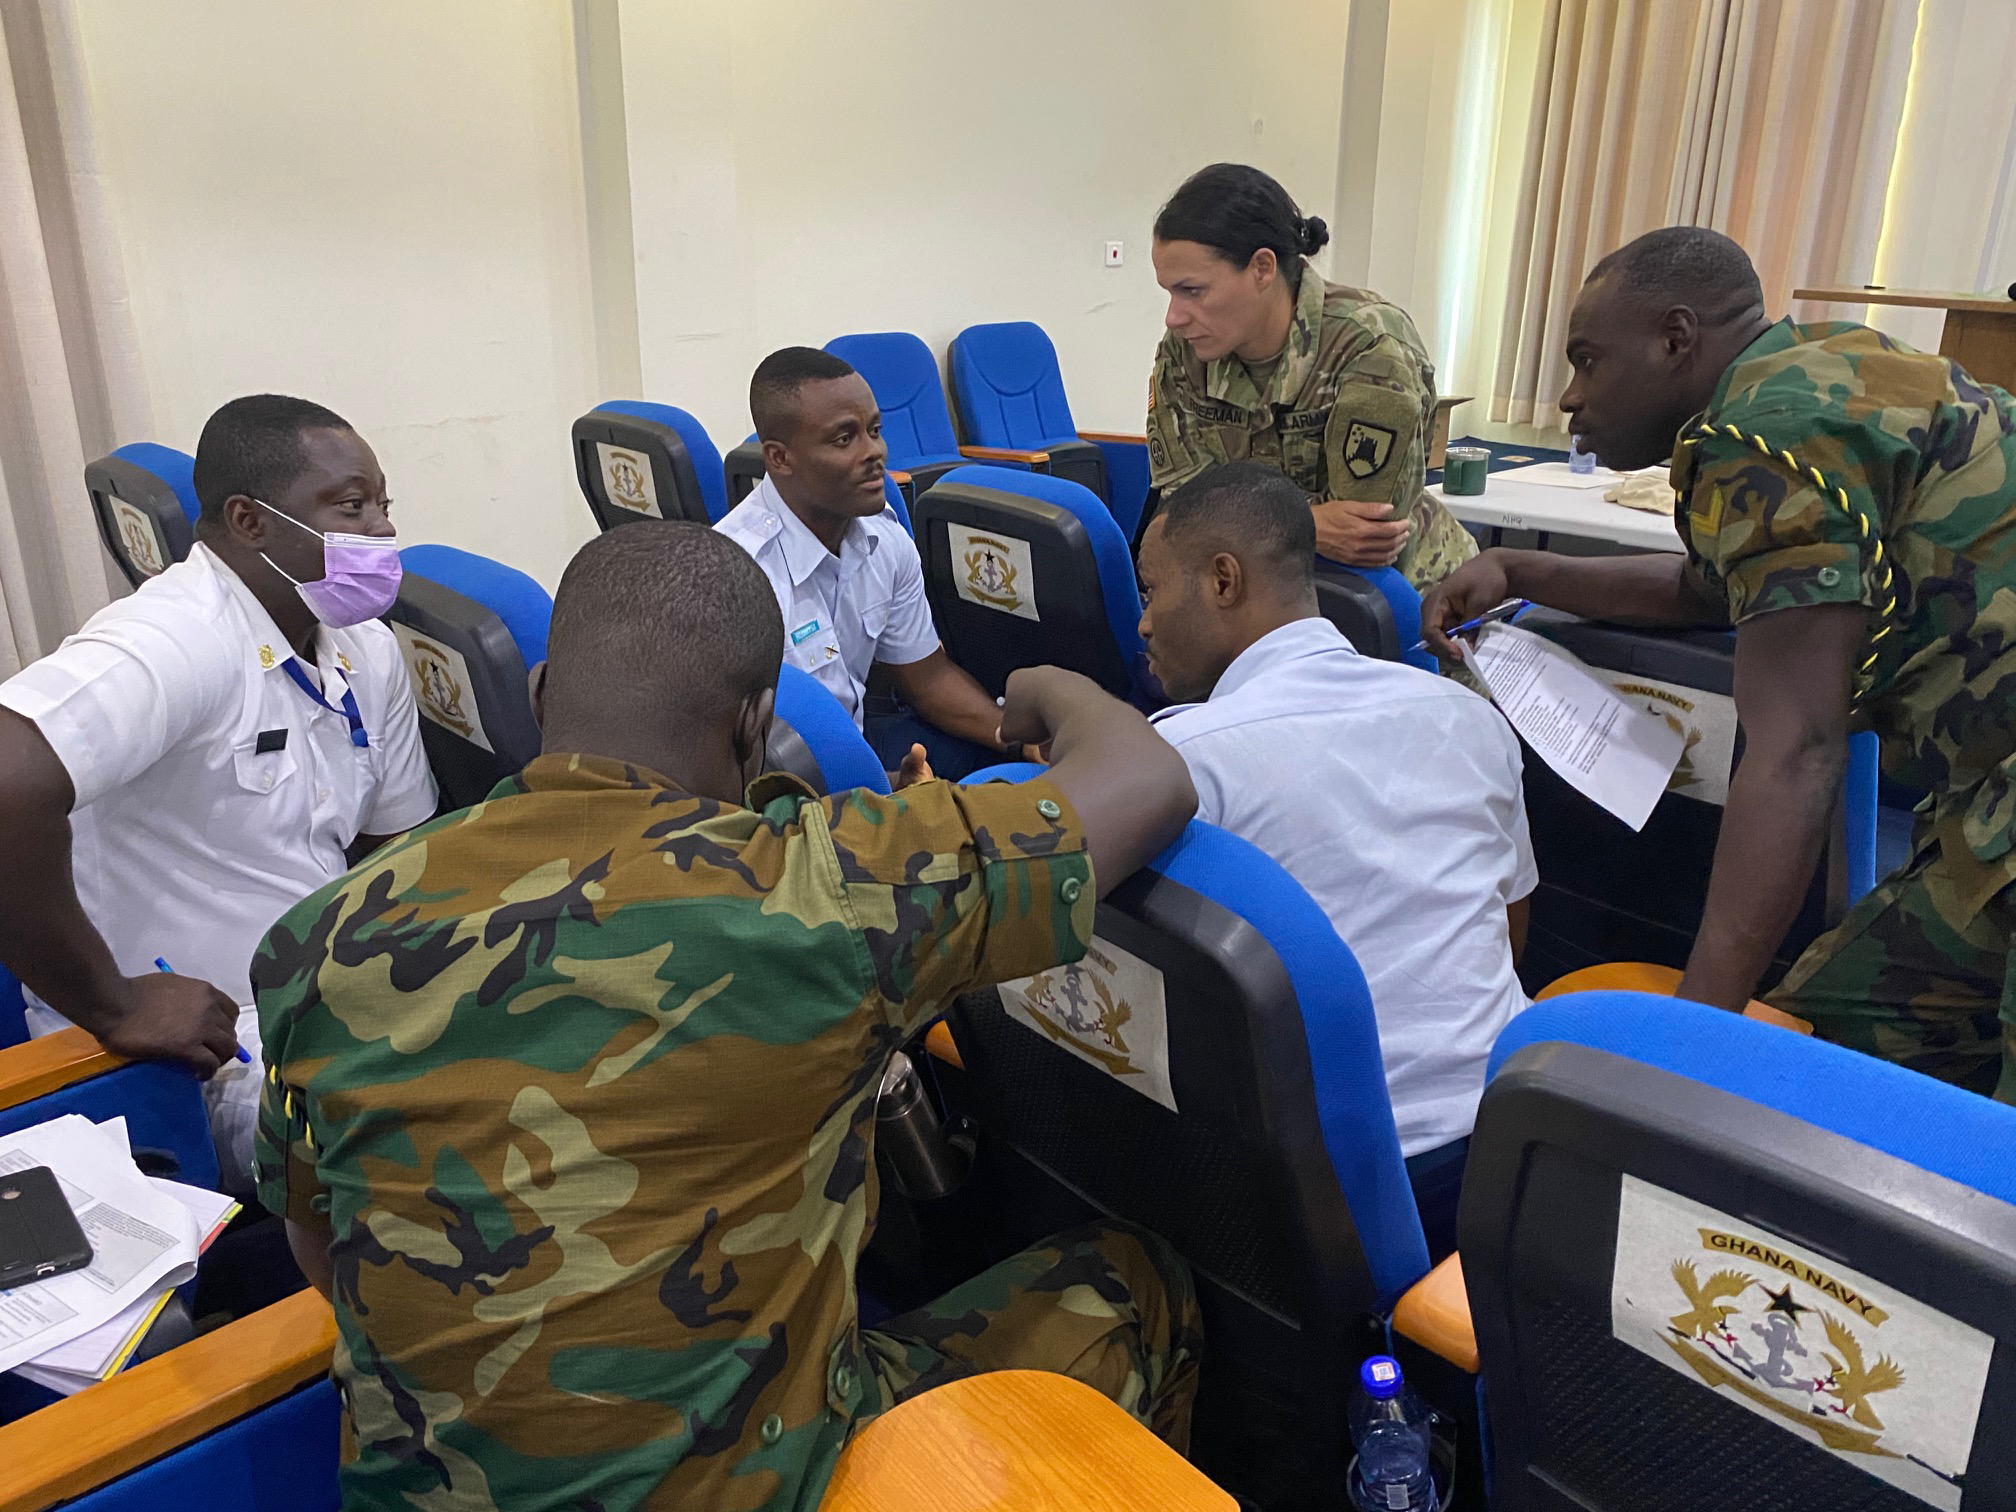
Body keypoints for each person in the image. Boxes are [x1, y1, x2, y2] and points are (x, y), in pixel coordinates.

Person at [252, 520, 1201, 1511]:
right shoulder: (816, 892)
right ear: (755, 725)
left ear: (538, 696)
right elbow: (1147, 781)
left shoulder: (319, 937)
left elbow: (319, 1241)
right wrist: (1049, 690)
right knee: (1136, 1283)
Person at [1423, 226, 2016, 1103]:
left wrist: (1686, 1043)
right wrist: (1520, 568)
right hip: (1986, 796)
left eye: (1588, 360)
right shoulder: (1817, 368)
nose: (1571, 396)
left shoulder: (1759, 434)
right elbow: (1712, 591)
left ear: (1675, 338)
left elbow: (1797, 752)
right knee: (1831, 1043)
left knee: (1802, 1082)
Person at [0, 394, 436, 1184]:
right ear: (249, 520)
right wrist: (113, 1004)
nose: (380, 531)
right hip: (196, 1051)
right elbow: (6, 776)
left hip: (318, 1003)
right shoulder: (180, 635)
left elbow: (395, 850)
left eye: (383, 506)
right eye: (350, 507)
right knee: (444, 1143)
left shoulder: (364, 649)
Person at [1140, 462, 1533, 1260]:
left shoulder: (1182, 758)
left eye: (1150, 591)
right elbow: (1511, 929)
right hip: (1517, 1150)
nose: (1143, 624)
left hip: (1338, 1188)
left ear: (1223, 581)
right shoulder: (1470, 716)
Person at [1143, 162, 1477, 592]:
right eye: (1169, 292)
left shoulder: (1369, 345)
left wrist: (1234, 517)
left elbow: (1363, 533)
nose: (1173, 316)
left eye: (1192, 290)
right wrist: (1309, 522)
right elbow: (1179, 514)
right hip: (1263, 596)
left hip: (1405, 599)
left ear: (1262, 268)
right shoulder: (1184, 352)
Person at [717, 346, 1020, 784]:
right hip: (778, 784)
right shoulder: (735, 578)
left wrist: (1016, 737)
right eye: (845, 439)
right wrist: (883, 789)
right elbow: (735, 761)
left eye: (874, 430)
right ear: (779, 458)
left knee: (1001, 767)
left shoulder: (885, 539)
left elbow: (928, 680)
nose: (874, 451)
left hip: (858, 749)